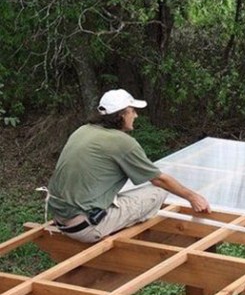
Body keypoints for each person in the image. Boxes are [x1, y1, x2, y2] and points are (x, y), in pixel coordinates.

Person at [44, 88, 211, 243]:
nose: (136, 116)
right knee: (158, 192)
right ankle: (124, 231)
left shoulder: (82, 130)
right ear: (121, 115)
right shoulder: (122, 142)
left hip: (60, 221)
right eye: (132, 111)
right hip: (86, 228)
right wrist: (193, 197)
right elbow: (159, 180)